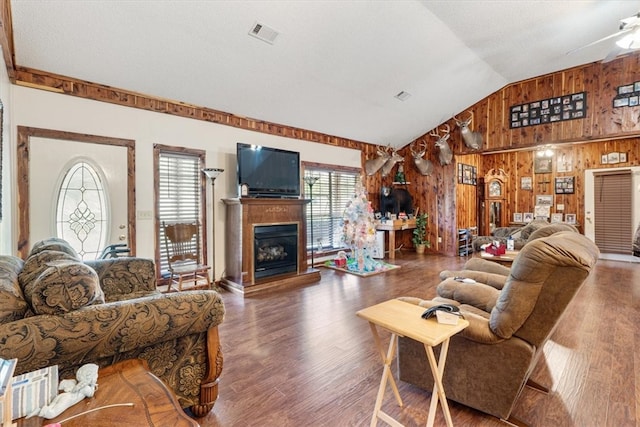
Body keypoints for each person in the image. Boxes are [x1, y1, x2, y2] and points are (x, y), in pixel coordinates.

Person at [30, 363, 99, 419]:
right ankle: (39, 412)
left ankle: (40, 409)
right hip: (67, 399)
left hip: (62, 396)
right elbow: (91, 394)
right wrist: (93, 385)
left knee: (52, 406)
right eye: (96, 377)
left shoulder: (76, 384)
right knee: (53, 413)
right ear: (90, 377)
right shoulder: (85, 388)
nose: (96, 378)